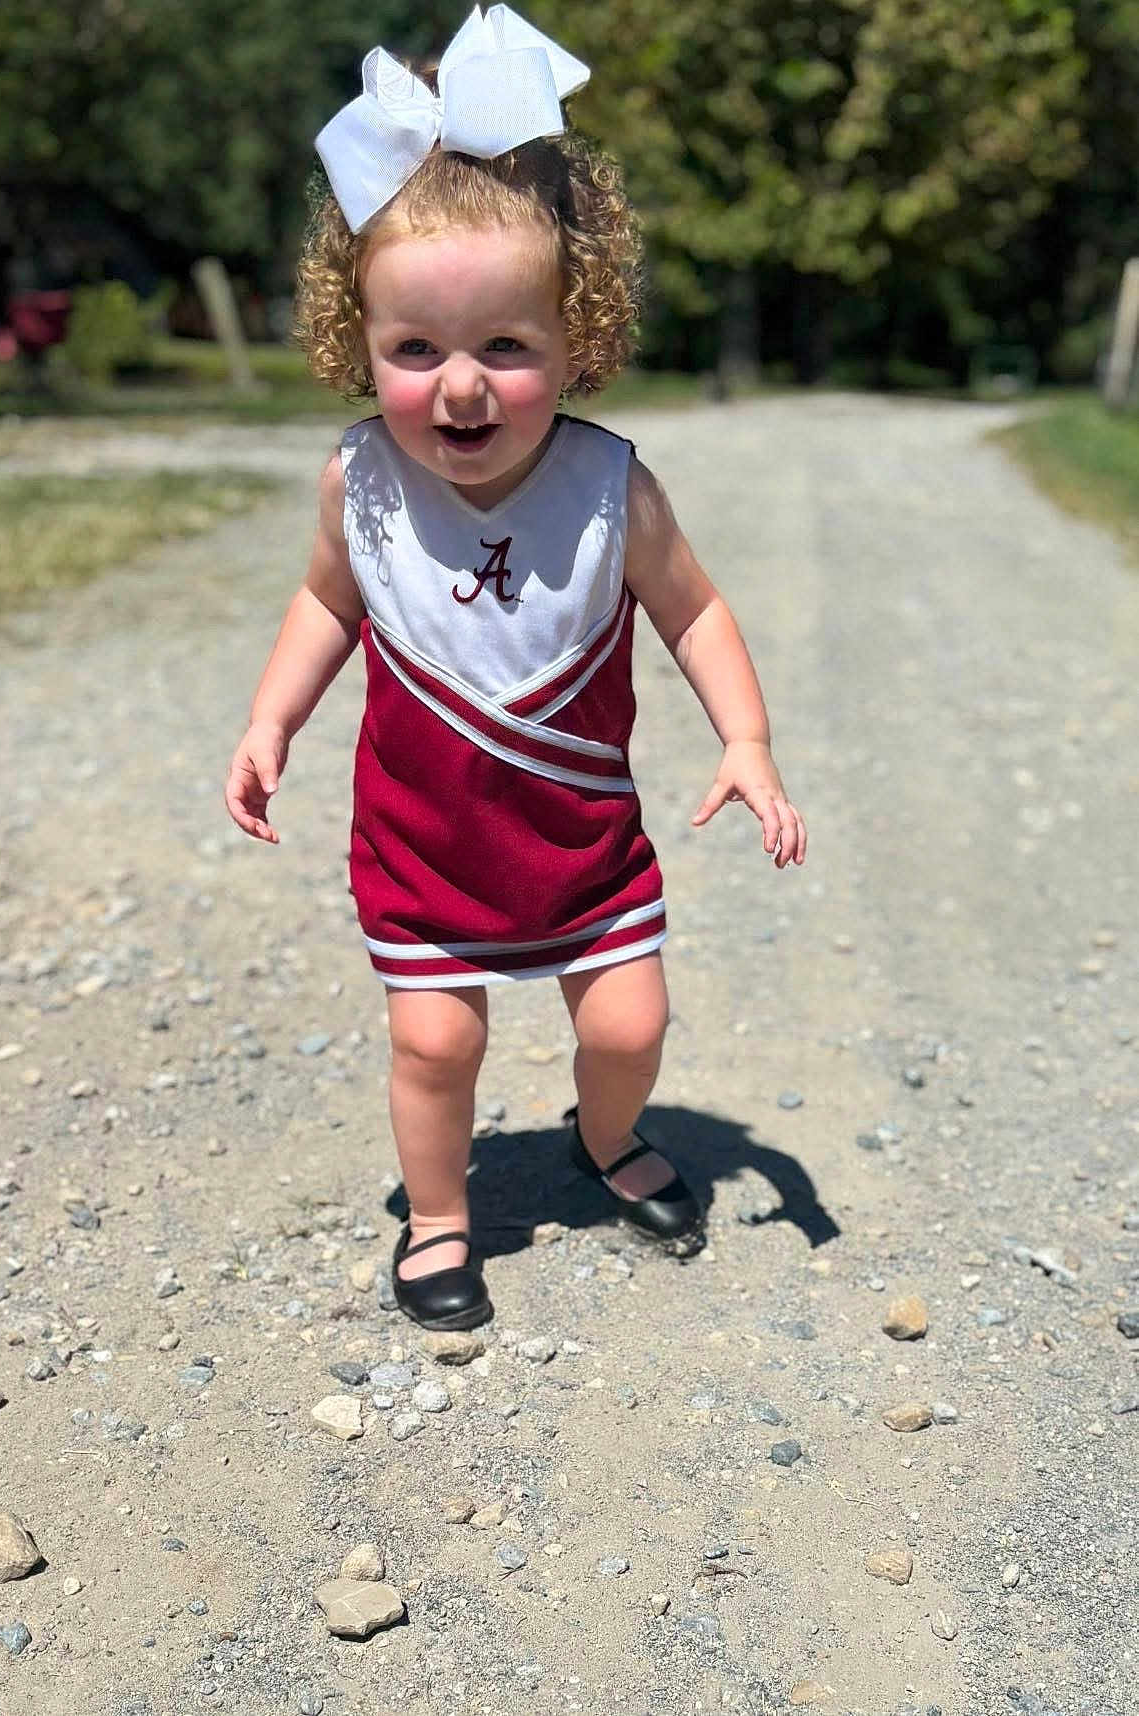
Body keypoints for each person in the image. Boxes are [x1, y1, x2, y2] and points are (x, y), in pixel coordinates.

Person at [225, 5, 806, 1333]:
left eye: (506, 348)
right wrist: (271, 725)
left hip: (579, 840)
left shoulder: (609, 489)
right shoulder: (359, 486)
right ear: (354, 342)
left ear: (575, 336)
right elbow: (324, 608)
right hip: (424, 843)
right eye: (414, 353)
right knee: (435, 1039)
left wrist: (746, 740)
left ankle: (604, 1141)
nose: (461, 389)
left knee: (624, 1025)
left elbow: (696, 613)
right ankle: (438, 1217)